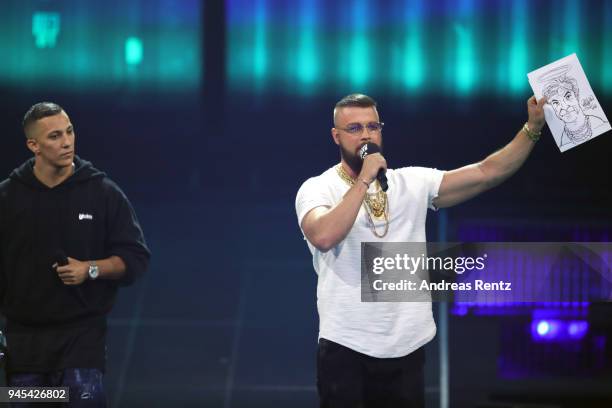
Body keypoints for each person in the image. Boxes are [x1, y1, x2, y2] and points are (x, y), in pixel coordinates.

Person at [295, 93, 546, 408]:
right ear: (336, 136)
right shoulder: (318, 188)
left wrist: (532, 128)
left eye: (373, 126)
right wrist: (363, 180)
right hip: (347, 348)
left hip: (406, 351)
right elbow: (324, 235)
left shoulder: (410, 183)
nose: (367, 135)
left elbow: (487, 173)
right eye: (355, 128)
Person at [0, 102, 150, 406]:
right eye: (54, 136)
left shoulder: (103, 193)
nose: (67, 142)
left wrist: (90, 269)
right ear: (34, 145)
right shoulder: (7, 198)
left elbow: (136, 258)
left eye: (69, 132)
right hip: (23, 345)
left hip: (82, 340)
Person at [542, 75, 608, 149]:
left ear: (577, 97)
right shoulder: (563, 143)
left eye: (568, 97)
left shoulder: (601, 125)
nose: (564, 107)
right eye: (556, 103)